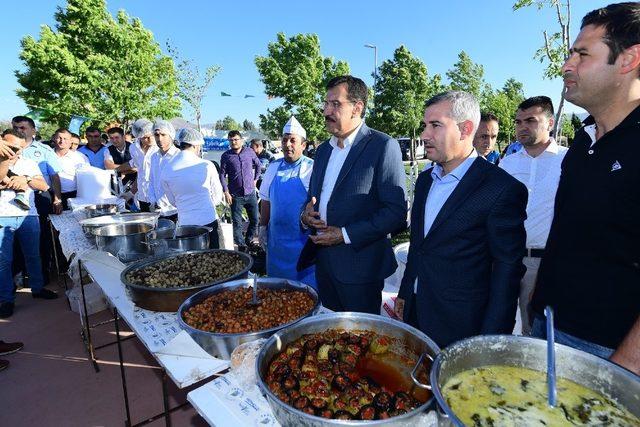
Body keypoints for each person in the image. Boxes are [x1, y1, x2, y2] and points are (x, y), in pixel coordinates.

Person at [531, 3, 640, 375]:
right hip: (546, 329)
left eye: (581, 54)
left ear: (628, 60)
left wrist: (623, 369)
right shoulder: (582, 141)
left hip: (607, 354)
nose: (566, 65)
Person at [394, 91, 527, 347]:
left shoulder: (501, 189)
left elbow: (506, 270)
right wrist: (405, 292)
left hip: (463, 326)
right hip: (415, 314)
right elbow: (419, 247)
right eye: (425, 125)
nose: (424, 135)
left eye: (435, 125)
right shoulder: (424, 181)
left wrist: (492, 338)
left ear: (465, 129)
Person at [300, 75, 407, 314]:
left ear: (357, 108)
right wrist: (305, 216)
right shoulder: (323, 151)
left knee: (360, 341)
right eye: (325, 104)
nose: (326, 110)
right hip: (324, 265)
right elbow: (312, 199)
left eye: (335, 104)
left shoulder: (382, 146)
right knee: (330, 335)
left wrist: (344, 235)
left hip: (361, 270)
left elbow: (396, 213)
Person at [499, 96, 568, 336]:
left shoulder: (568, 160)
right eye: (518, 121)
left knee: (538, 332)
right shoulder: (507, 164)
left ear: (550, 123)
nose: (522, 127)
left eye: (530, 120)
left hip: (546, 262)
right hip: (506, 258)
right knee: (500, 324)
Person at [0, 129, 57, 319]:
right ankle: (6, 299)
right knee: (3, 261)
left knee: (33, 255)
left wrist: (27, 179)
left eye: (18, 148)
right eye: (11, 147)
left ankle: (37, 287)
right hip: (2, 216)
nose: (15, 151)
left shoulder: (28, 163)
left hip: (28, 216)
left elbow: (44, 186)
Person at [259, 116, 315, 287]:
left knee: (304, 291)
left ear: (303, 145)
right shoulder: (273, 167)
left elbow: (315, 203)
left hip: (302, 242)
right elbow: (266, 200)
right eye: (284, 140)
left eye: (293, 140)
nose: (288, 144)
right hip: (277, 242)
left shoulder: (311, 168)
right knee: (277, 289)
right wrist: (262, 226)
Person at [161, 128, 223, 248]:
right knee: (214, 259)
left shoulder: (167, 169)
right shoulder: (207, 165)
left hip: (185, 224)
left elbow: (172, 201)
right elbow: (217, 196)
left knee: (191, 262)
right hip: (208, 220)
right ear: (195, 145)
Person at [219, 130, 261, 251]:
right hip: (235, 195)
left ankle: (248, 240)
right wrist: (226, 191)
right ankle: (242, 246)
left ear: (241, 140)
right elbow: (222, 175)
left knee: (255, 220)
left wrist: (255, 179)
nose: (233, 142)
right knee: (237, 223)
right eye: (231, 140)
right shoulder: (226, 156)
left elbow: (258, 165)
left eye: (236, 139)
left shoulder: (249, 152)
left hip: (250, 193)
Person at [118, 119, 156, 212]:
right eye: (146, 137)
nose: (150, 139)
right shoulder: (134, 148)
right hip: (143, 197)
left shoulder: (159, 148)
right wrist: (131, 193)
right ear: (139, 137)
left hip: (159, 198)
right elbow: (141, 173)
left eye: (152, 136)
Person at [148, 120, 178, 222]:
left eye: (163, 135)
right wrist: (153, 200)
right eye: (156, 135)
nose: (159, 139)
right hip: (159, 211)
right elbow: (152, 180)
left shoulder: (178, 156)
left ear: (171, 135)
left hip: (176, 210)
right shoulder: (154, 157)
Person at [52, 128, 89, 210]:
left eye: (65, 139)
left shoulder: (80, 157)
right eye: (59, 138)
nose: (62, 141)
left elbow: (86, 178)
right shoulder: (47, 155)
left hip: (73, 195)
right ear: (54, 138)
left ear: (70, 141)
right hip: (50, 195)